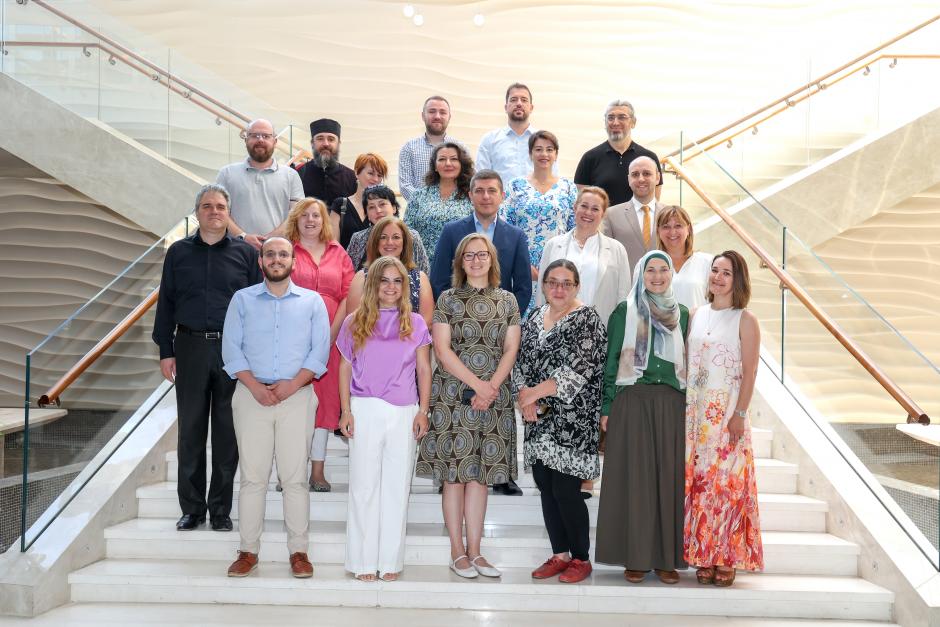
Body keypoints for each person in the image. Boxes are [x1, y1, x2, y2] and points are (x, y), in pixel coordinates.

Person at [153, 184, 262, 533]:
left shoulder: (246, 254)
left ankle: (220, 510)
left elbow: (257, 308)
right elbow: (166, 302)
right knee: (191, 430)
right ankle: (192, 509)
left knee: (227, 433)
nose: (214, 211)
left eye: (220, 206)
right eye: (207, 206)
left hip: (233, 352)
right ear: (197, 212)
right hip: (190, 347)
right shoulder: (178, 253)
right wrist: (166, 350)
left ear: (229, 213)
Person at [222, 237, 331, 579]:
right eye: (270, 254)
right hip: (250, 395)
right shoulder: (242, 300)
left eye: (283, 254)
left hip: (296, 397)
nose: (276, 259)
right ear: (261, 261)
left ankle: (299, 552)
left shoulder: (312, 302)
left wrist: (292, 385)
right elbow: (231, 349)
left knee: (294, 479)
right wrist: (255, 387)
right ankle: (247, 551)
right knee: (253, 478)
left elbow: (319, 351)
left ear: (293, 262)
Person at [415, 233, 521, 577]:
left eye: (482, 254)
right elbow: (441, 350)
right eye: (469, 255)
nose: (476, 260)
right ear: (460, 262)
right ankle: (456, 552)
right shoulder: (447, 299)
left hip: (494, 397)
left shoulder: (507, 300)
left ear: (492, 259)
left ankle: (476, 552)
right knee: (455, 477)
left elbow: (511, 348)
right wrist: (478, 386)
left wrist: (491, 388)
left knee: (480, 477)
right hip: (454, 395)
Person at [595, 251, 689, 585]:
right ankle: (634, 557)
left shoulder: (683, 314)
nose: (657, 276)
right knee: (634, 481)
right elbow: (611, 360)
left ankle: (666, 559)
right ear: (641, 273)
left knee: (669, 481)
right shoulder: (625, 311)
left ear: (671, 274)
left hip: (672, 403)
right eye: (651, 270)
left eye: (664, 269)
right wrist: (607, 407)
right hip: (632, 399)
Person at [337, 256, 432, 582]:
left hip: (404, 410)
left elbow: (424, 369)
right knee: (363, 486)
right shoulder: (354, 321)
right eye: (384, 280)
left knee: (396, 486)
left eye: (397, 281)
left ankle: (390, 560)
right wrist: (346, 410)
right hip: (364, 407)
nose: (390, 287)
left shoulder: (415, 322)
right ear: (373, 284)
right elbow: (345, 367)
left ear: (404, 286)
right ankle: (363, 561)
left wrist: (423, 410)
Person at [513, 260, 606, 584]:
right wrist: (525, 397)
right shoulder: (535, 317)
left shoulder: (588, 319)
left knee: (566, 489)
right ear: (544, 285)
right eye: (552, 282)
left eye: (567, 283)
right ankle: (560, 554)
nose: (559, 289)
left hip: (573, 420)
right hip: (538, 418)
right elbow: (520, 361)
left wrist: (531, 395)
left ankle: (581, 558)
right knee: (545, 485)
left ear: (577, 286)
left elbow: (578, 370)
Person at [684, 250, 764, 587]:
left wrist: (740, 414)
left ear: (738, 279)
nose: (718, 277)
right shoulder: (695, 314)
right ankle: (704, 554)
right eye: (714, 271)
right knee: (701, 485)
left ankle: (727, 557)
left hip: (727, 413)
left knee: (727, 487)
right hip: (695, 416)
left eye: (726, 273)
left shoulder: (745, 319)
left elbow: (750, 371)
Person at [286, 198, 354, 492]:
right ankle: (291, 471)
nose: (311, 220)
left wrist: (331, 334)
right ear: (296, 220)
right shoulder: (287, 250)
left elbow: (348, 295)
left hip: (331, 338)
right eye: (305, 215)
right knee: (293, 404)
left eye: (316, 215)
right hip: (292, 339)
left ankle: (317, 471)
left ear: (324, 220)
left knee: (325, 404)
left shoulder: (338, 252)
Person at [430, 170, 532, 319]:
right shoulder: (451, 231)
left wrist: (508, 320)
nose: (485, 196)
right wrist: (453, 317)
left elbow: (524, 287)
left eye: (492, 190)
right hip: (458, 321)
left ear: (502, 196)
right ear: (470, 196)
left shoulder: (516, 236)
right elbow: (438, 280)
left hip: (501, 323)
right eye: (479, 191)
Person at [500, 130, 576, 317]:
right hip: (522, 268)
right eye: (538, 149)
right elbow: (504, 229)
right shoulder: (515, 186)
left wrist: (561, 267)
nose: (544, 154)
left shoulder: (568, 187)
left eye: (549, 149)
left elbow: (574, 230)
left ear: (556, 154)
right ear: (530, 154)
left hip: (559, 267)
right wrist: (522, 264)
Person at [537, 186, 630, 327]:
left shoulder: (617, 249)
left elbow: (623, 299)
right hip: (557, 329)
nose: (588, 212)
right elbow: (541, 291)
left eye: (595, 209)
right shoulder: (553, 245)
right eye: (584, 206)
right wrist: (541, 327)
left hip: (601, 330)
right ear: (575, 208)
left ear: (603, 214)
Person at [216, 118, 304, 250]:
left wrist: (270, 240)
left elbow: (296, 214)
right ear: (246, 140)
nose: (260, 140)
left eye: (266, 136)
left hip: (277, 254)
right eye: (254, 135)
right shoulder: (226, 173)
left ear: (275, 141)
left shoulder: (291, 175)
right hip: (234, 252)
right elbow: (219, 211)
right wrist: (243, 237)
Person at [346, 216, 435, 328]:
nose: (389, 242)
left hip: (412, 338)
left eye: (396, 237)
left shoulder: (420, 278)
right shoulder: (361, 277)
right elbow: (354, 321)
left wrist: (401, 337)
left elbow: (426, 321)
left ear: (404, 242)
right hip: (369, 338)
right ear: (376, 242)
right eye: (383, 237)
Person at [574, 100, 662, 206]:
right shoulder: (589, 158)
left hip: (638, 217)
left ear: (633, 122)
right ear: (605, 122)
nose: (615, 123)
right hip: (604, 217)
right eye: (610, 118)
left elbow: (653, 203)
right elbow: (584, 205)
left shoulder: (649, 158)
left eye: (622, 117)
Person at [403, 142, 474, 262]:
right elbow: (407, 231)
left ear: (461, 164)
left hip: (460, 265)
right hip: (423, 265)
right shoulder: (419, 195)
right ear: (435, 166)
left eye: (454, 159)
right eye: (442, 159)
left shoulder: (472, 195)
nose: (448, 163)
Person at [476, 83, 555, 185]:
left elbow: (553, 177)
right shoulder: (489, 140)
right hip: (502, 196)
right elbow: (480, 179)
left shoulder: (544, 141)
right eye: (513, 100)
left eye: (524, 100)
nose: (519, 103)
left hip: (538, 195)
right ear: (506, 107)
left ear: (531, 108)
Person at [602, 156, 664, 280]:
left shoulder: (670, 214)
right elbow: (605, 259)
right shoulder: (610, 215)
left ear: (657, 177)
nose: (641, 179)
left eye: (647, 173)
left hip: (662, 287)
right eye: (635, 174)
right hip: (625, 288)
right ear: (629, 179)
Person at [346, 185, 430, 274]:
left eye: (382, 204)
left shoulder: (411, 236)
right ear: (367, 214)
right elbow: (348, 273)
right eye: (371, 207)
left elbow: (424, 271)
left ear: (394, 208)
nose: (378, 210)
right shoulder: (358, 238)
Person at [398, 95, 462, 201]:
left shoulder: (461, 149)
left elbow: (468, 182)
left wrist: (449, 204)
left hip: (454, 209)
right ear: (423, 116)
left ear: (449, 117)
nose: (437, 116)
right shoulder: (409, 148)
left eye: (443, 112)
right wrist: (427, 204)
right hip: (419, 209)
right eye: (432, 111)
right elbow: (405, 186)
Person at [656, 205, 712, 310]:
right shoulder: (646, 264)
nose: (672, 232)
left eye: (678, 226)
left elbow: (718, 305)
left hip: (699, 321)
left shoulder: (708, 262)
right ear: (658, 231)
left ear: (689, 229)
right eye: (666, 227)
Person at [328, 153, 388, 250]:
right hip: (343, 259)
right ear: (356, 172)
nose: (375, 179)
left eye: (379, 175)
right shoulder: (340, 204)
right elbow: (333, 246)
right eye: (371, 173)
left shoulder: (384, 208)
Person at [297, 118, 357, 206]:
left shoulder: (352, 178)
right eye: (320, 139)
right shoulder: (298, 174)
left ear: (338, 144)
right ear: (312, 143)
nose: (326, 144)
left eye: (331, 139)